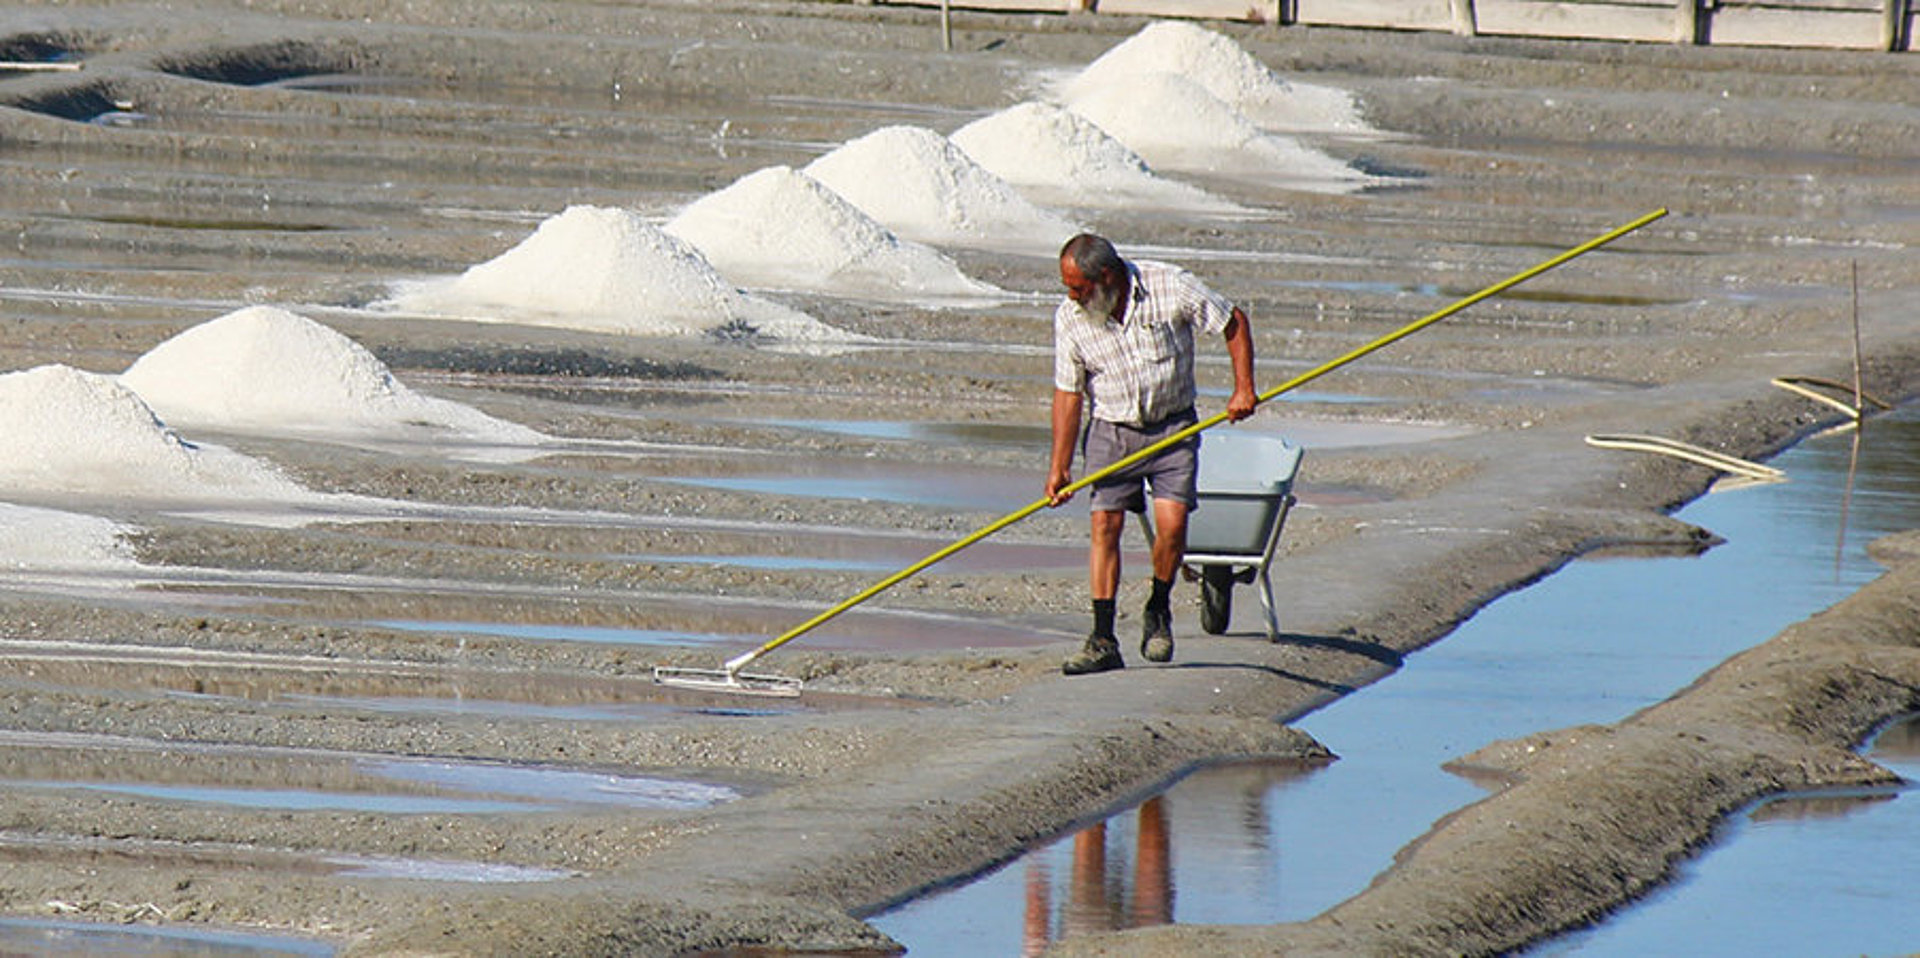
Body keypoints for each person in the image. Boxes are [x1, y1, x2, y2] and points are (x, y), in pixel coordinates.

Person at [1046, 233, 1257, 675]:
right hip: (1111, 428)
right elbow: (1068, 394)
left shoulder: (1170, 285)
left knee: (1174, 526)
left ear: (1106, 277)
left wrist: (1244, 389)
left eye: (1078, 287)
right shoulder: (1071, 317)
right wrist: (1059, 468)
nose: (1072, 296)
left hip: (1173, 427)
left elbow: (1232, 321)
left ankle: (1158, 611)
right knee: (1105, 524)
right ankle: (1103, 638)